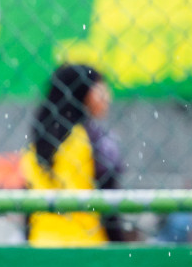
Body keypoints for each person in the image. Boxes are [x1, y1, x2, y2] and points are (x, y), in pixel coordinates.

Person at [21, 64, 128, 245]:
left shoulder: (36, 142)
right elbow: (109, 205)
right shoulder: (92, 138)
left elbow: (28, 212)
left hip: (42, 244)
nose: (108, 98)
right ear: (83, 93)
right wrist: (122, 248)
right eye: (101, 91)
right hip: (87, 245)